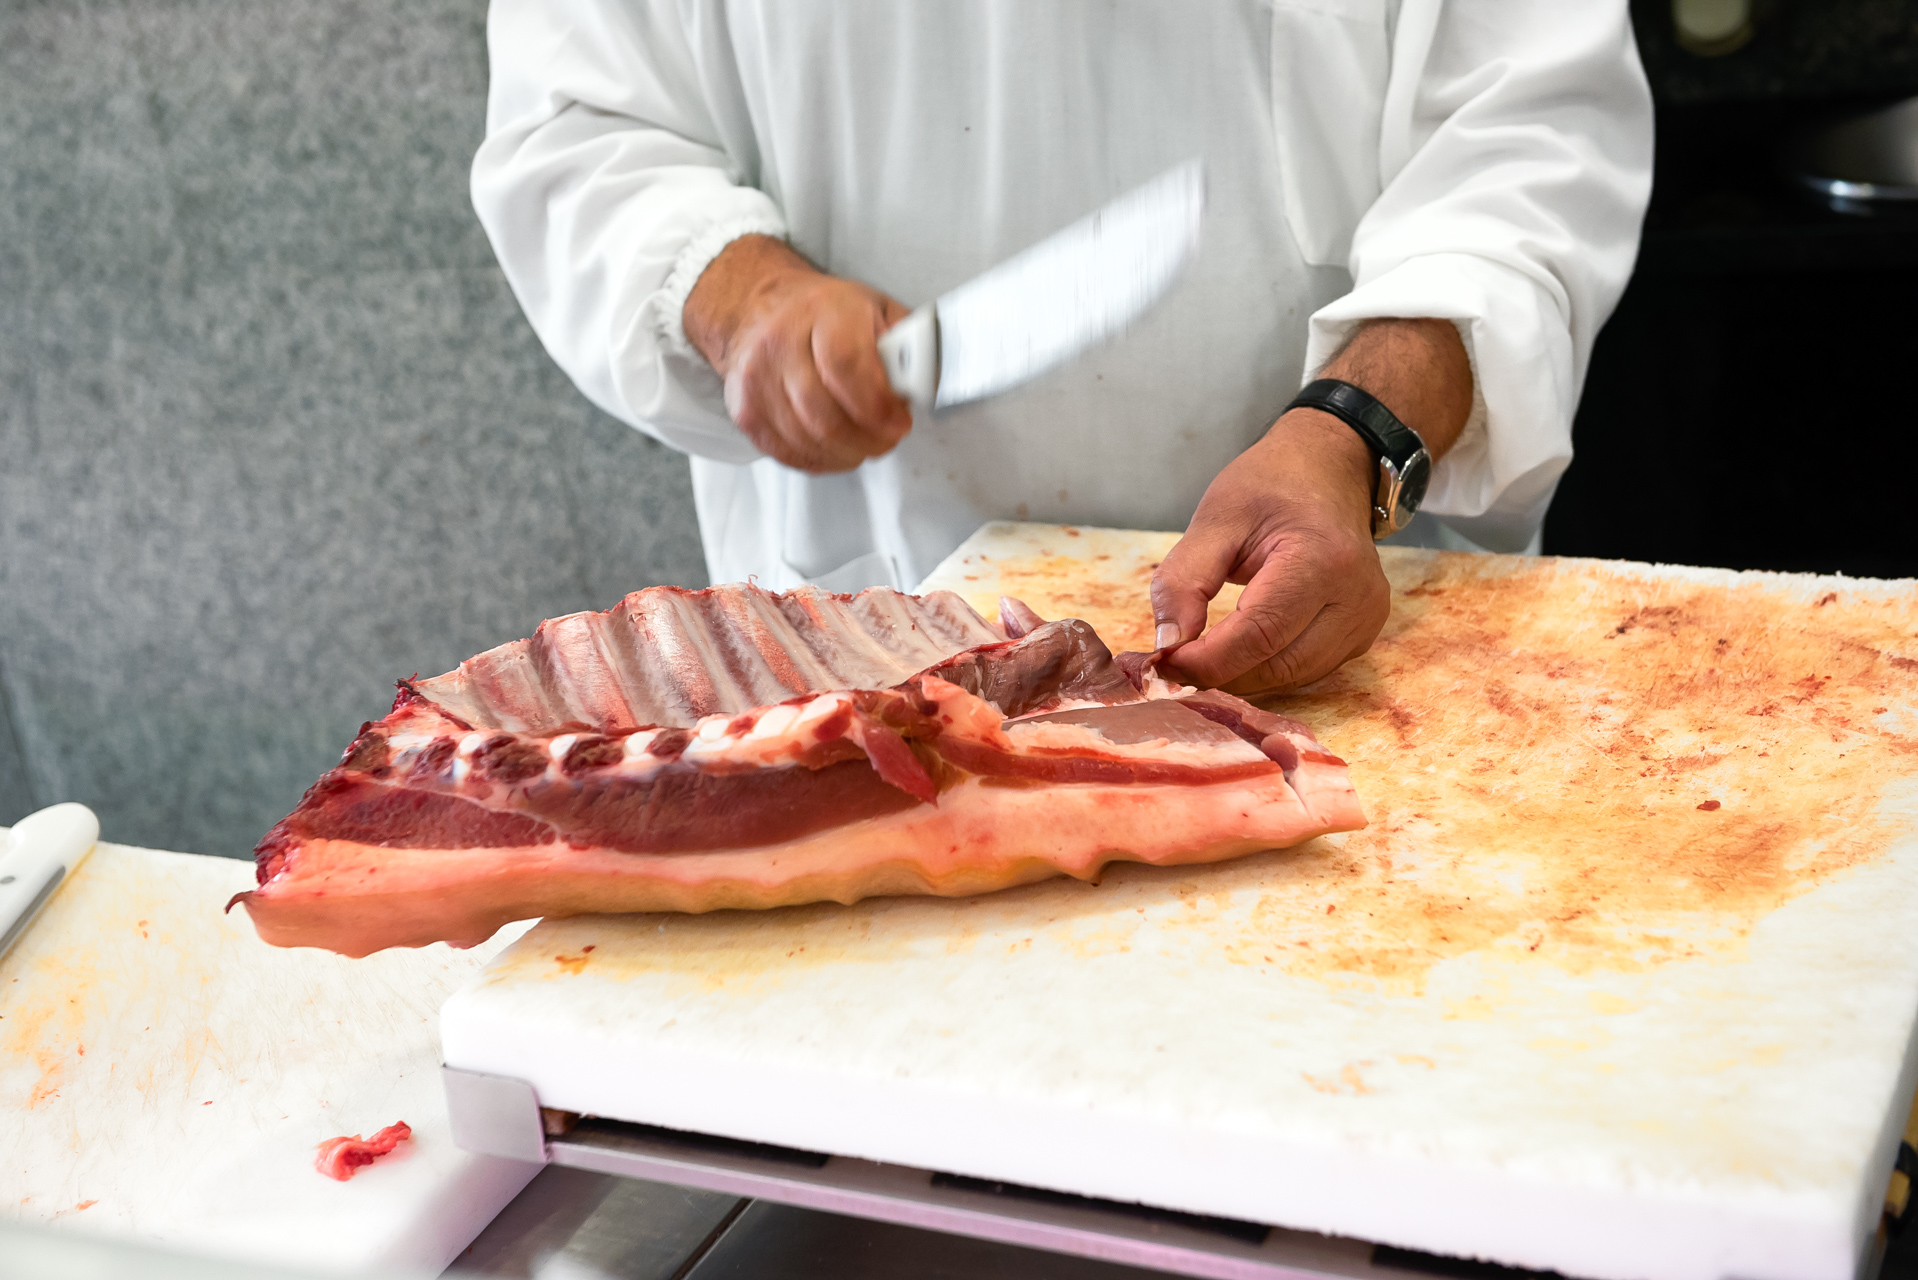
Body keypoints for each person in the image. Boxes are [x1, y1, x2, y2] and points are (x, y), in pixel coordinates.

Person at [472, 2, 1651, 694]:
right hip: (870, 624)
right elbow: (579, 127)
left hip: (1352, 617)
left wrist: (1354, 433)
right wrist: (741, 294)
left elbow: (1524, 145)